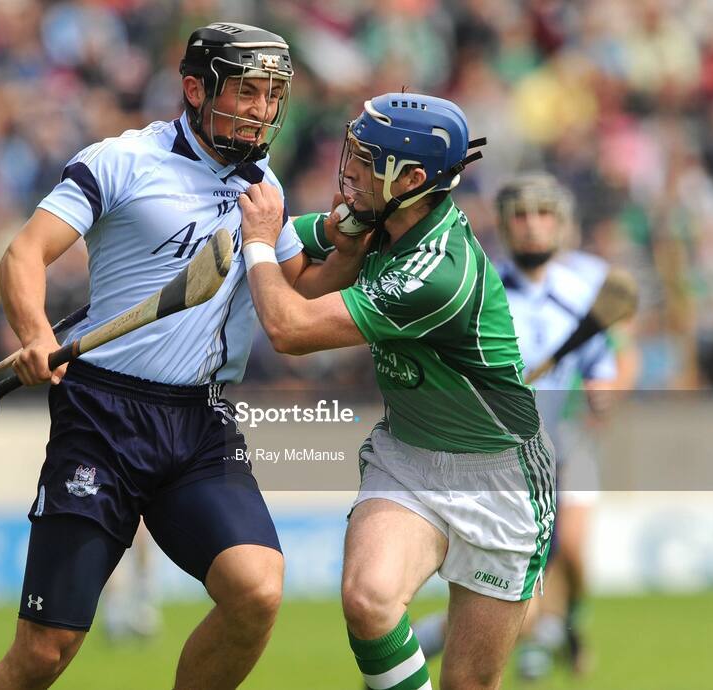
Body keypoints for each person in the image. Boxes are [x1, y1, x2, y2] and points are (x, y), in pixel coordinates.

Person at [0, 22, 364, 690]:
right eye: (246, 92)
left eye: (273, 95)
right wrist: (36, 334)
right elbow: (24, 254)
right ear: (194, 88)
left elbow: (297, 291)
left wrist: (358, 247)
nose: (263, 110)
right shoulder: (121, 162)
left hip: (199, 423)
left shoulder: (261, 187)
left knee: (257, 590)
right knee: (47, 650)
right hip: (102, 418)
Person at [238, 93, 556, 690]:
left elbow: (289, 327)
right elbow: (286, 245)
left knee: (468, 683)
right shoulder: (379, 218)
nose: (349, 169)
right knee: (368, 599)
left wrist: (257, 241)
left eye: (366, 158)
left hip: (499, 477)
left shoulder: (439, 272)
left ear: (410, 179)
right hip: (408, 455)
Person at [409, 173, 635, 680]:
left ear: (562, 225)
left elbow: (606, 359)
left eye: (544, 215)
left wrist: (603, 393)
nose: (533, 227)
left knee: (562, 557)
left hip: (561, 450)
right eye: (520, 216)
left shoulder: (583, 291)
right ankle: (524, 636)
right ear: (505, 226)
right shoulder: (477, 284)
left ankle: (552, 630)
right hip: (491, 457)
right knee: (501, 588)